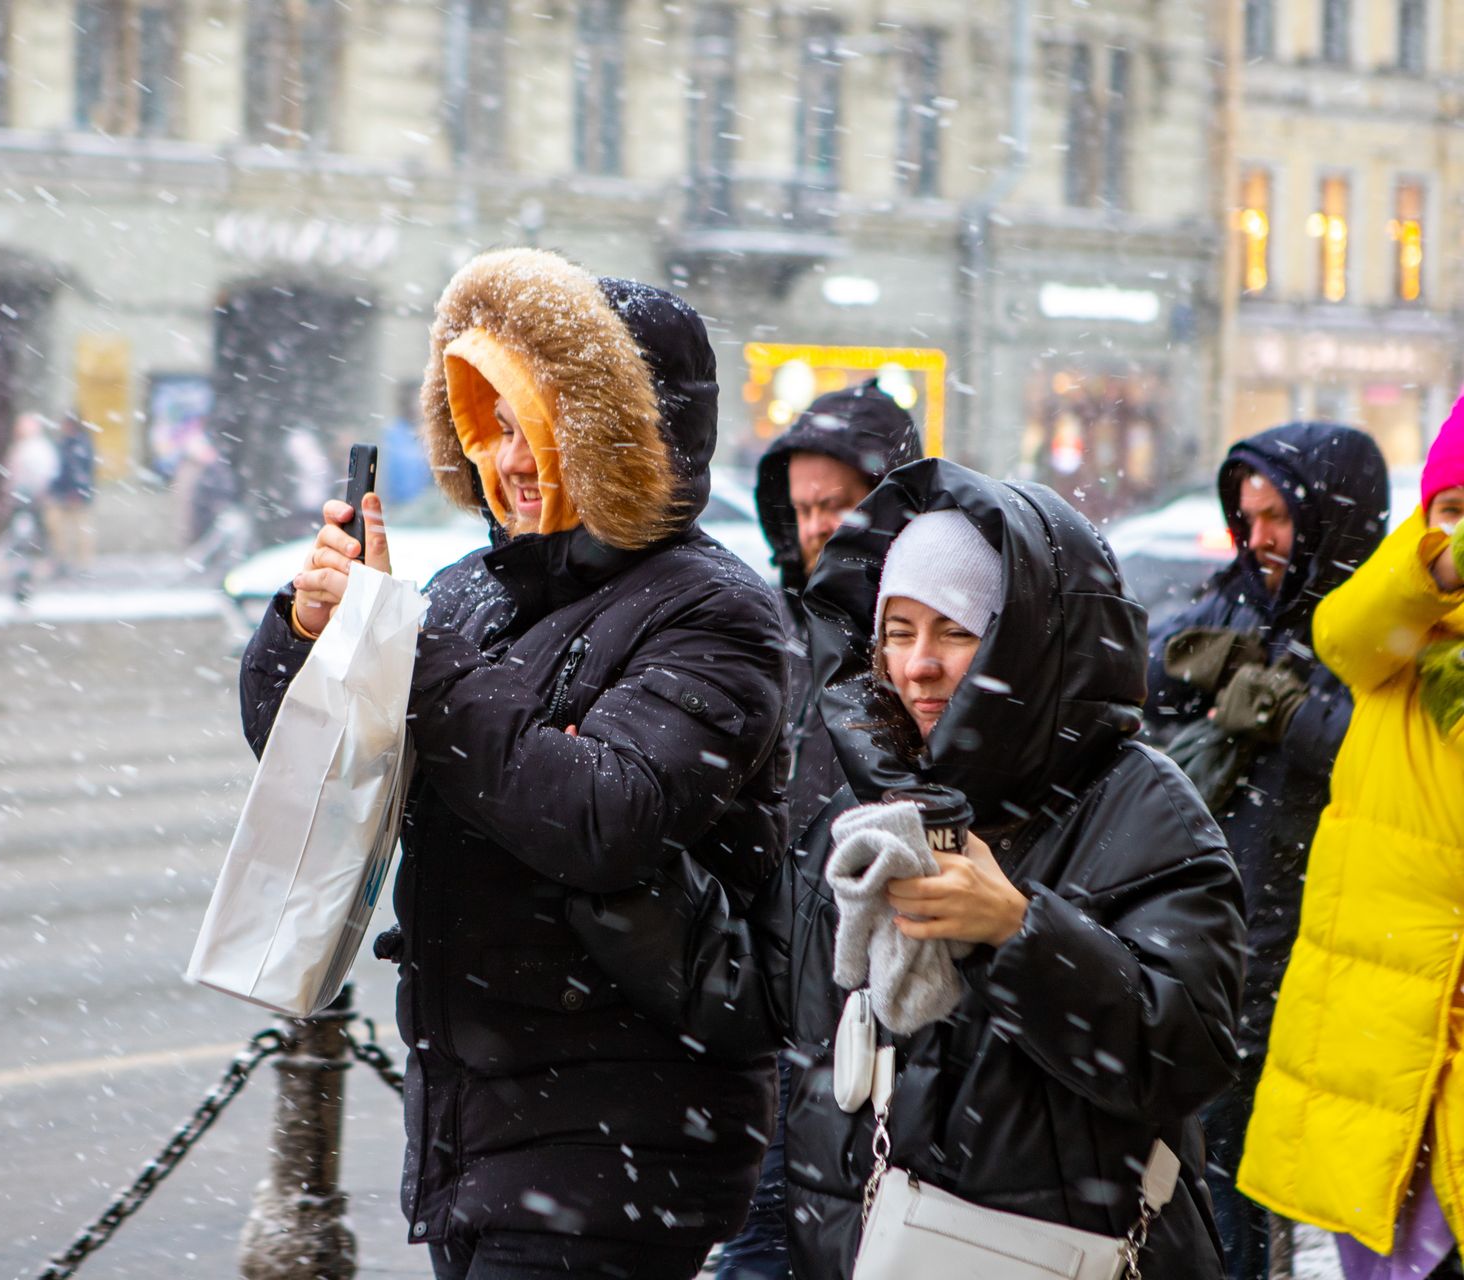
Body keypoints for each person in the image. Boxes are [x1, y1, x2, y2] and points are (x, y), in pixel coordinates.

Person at [238, 248, 792, 1280]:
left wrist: (420, 654)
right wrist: (314, 631)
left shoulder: (716, 609)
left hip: (620, 1137)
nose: (512, 458)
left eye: (539, 423)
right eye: (487, 425)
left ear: (626, 435)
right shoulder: (471, 590)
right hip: (476, 1124)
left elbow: (599, 818)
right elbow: (318, 754)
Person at [574, 458, 1247, 1278]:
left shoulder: (1140, 807)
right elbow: (751, 988)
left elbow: (1187, 1050)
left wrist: (1018, 931)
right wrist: (602, 838)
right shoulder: (875, 804)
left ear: (1027, 643)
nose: (917, 665)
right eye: (897, 632)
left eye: (957, 631)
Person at [1141, 421, 1389, 1280]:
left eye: (1278, 516)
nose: (1261, 539)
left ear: (1330, 515)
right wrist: (1191, 670)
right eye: (1247, 518)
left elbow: (1388, 757)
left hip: (1328, 936)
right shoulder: (1242, 596)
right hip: (1223, 927)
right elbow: (1142, 674)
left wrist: (1291, 713)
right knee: (1217, 1164)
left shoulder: (1372, 623)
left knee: (1305, 1171)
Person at [1238, 407, 1464, 1280]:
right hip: (1379, 1066)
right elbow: (1347, 630)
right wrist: (1438, 560)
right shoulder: (1405, 637)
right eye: (1447, 509)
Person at [717, 379, 922, 1280]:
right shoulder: (764, 629)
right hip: (769, 1010)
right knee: (763, 1243)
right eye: (801, 507)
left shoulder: (926, 649)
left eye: (836, 504)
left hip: (881, 1016)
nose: (815, 526)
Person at [46, 411, 98, 575]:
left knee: (79, 530)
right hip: (64, 494)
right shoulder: (65, 443)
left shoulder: (78, 444)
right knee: (61, 529)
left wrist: (77, 490)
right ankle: (64, 560)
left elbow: (81, 470)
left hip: (76, 495)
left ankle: (82, 563)